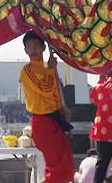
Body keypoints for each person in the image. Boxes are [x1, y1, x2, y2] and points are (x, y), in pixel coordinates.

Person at [19, 30, 74, 183]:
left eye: (36, 46)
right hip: (43, 123)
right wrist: (51, 69)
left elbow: (54, 95)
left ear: (44, 47)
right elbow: (46, 89)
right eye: (29, 47)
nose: (33, 50)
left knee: (66, 168)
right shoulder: (28, 70)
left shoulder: (47, 69)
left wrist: (62, 111)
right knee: (59, 168)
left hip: (55, 120)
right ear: (25, 50)